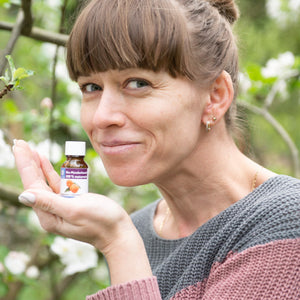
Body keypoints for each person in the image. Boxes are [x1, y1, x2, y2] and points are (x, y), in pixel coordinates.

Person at [13, 0, 300, 299]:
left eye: (137, 83)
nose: (101, 117)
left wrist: (118, 244)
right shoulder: (138, 229)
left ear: (215, 96)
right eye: (91, 87)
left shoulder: (286, 223)